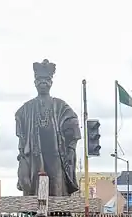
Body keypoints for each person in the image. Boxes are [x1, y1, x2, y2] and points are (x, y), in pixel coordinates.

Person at [15, 59, 81, 196]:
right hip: (35, 154)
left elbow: (73, 125)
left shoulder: (60, 105)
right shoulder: (26, 109)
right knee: (35, 185)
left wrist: (70, 149)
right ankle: (34, 215)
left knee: (57, 184)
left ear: (51, 82)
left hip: (55, 153)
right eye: (39, 79)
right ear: (35, 83)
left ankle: (57, 216)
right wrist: (22, 154)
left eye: (46, 79)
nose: (43, 83)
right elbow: (21, 135)